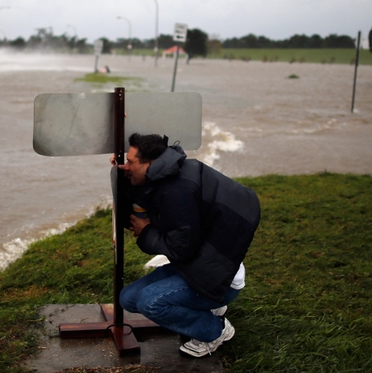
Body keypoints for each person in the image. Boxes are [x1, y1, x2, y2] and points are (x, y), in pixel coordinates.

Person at [110, 133, 260, 357]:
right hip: (197, 264)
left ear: (149, 164)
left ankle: (215, 331)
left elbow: (182, 247)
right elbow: (147, 192)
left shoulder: (176, 192)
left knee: (149, 303)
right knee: (127, 299)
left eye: (131, 162)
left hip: (218, 277)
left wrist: (147, 231)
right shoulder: (169, 172)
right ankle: (206, 307)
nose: (127, 166)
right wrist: (124, 176)